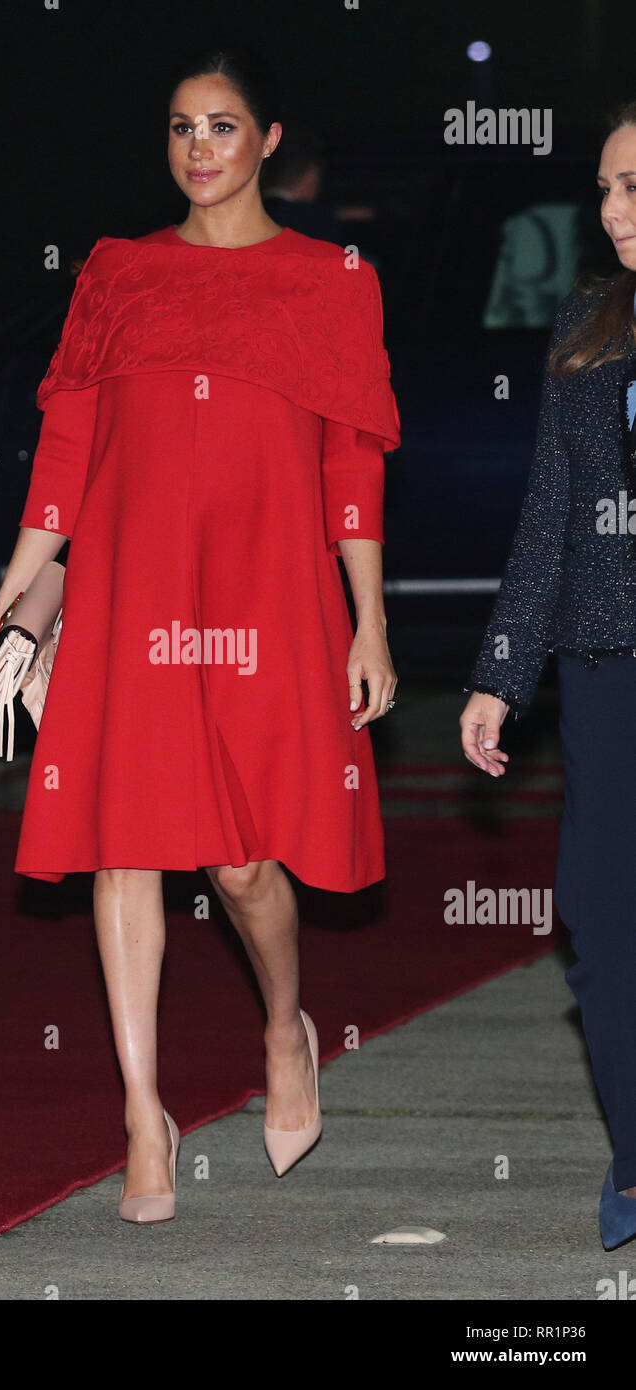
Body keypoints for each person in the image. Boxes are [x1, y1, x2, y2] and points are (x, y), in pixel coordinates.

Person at [0, 46, 401, 1224]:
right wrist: (24, 582)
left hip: (268, 598)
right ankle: (141, 1114)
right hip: (130, 591)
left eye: (221, 126)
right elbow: (68, 447)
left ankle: (284, 1025)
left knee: (241, 862)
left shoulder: (330, 279)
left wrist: (366, 619)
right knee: (125, 844)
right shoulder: (118, 272)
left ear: (267, 140)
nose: (198, 148)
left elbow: (349, 466)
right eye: (180, 127)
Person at [461, 98, 636, 1250]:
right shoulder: (584, 326)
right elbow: (546, 519)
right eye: (609, 189)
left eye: (635, 187)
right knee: (598, 912)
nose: (614, 211)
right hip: (601, 668)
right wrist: (499, 672)